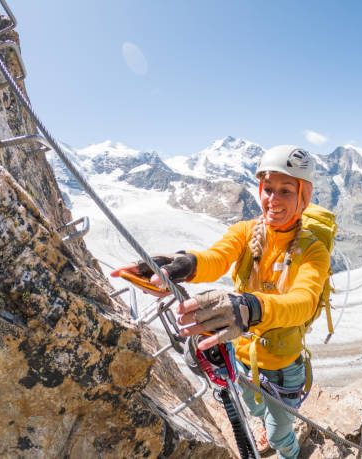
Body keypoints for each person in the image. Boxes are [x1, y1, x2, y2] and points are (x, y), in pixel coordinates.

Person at [116, 145, 330, 459]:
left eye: (286, 190)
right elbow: (217, 257)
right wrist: (186, 264)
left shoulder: (314, 251)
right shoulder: (246, 232)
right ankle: (265, 425)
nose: (273, 199)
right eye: (268, 188)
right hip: (240, 354)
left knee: (279, 434)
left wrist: (251, 307)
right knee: (255, 408)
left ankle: (288, 452)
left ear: (303, 196)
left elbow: (303, 302)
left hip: (284, 366)